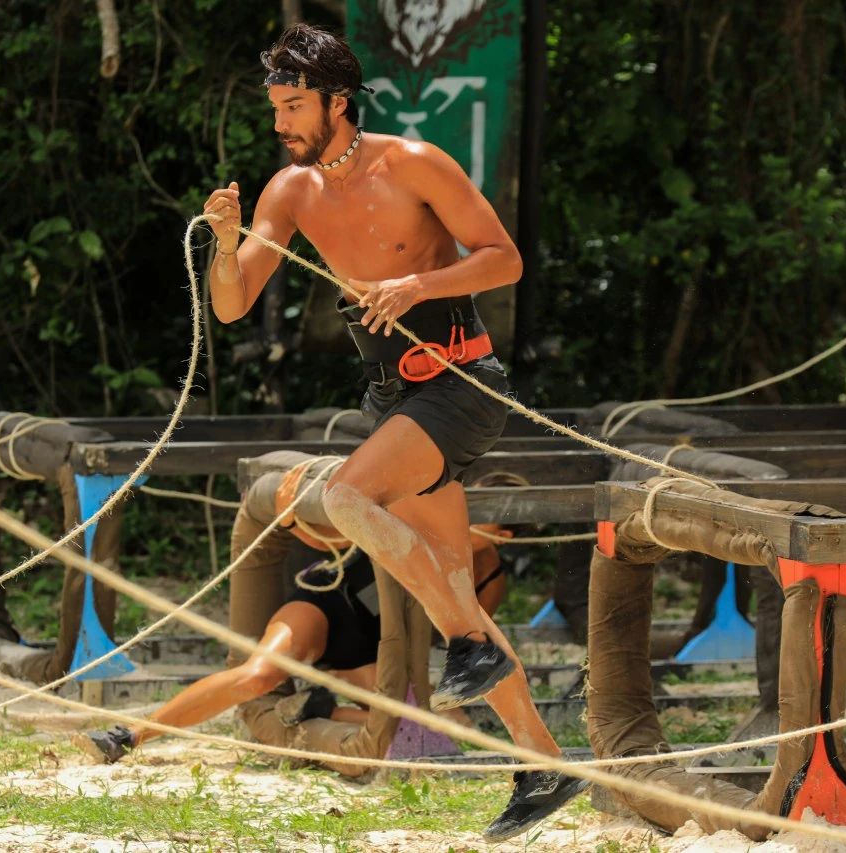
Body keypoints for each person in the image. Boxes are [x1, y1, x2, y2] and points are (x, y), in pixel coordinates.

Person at [198, 24, 586, 841]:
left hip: (461, 384)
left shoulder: (413, 162)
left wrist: (417, 284)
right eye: (275, 108)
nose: (281, 124)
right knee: (450, 586)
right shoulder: (288, 191)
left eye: (294, 107)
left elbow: (506, 259)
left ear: (338, 101)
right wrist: (226, 246)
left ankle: (468, 645)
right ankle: (544, 762)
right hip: (393, 402)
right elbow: (231, 304)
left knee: (346, 498)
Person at [77, 521, 513, 760]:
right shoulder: (424, 514)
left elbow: (460, 645)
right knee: (256, 676)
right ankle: (129, 736)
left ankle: (323, 707)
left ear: (503, 534)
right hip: (325, 605)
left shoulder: (489, 578)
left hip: (374, 647)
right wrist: (289, 515)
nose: (463, 519)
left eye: (480, 518)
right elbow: (333, 526)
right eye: (465, 509)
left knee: (438, 726)